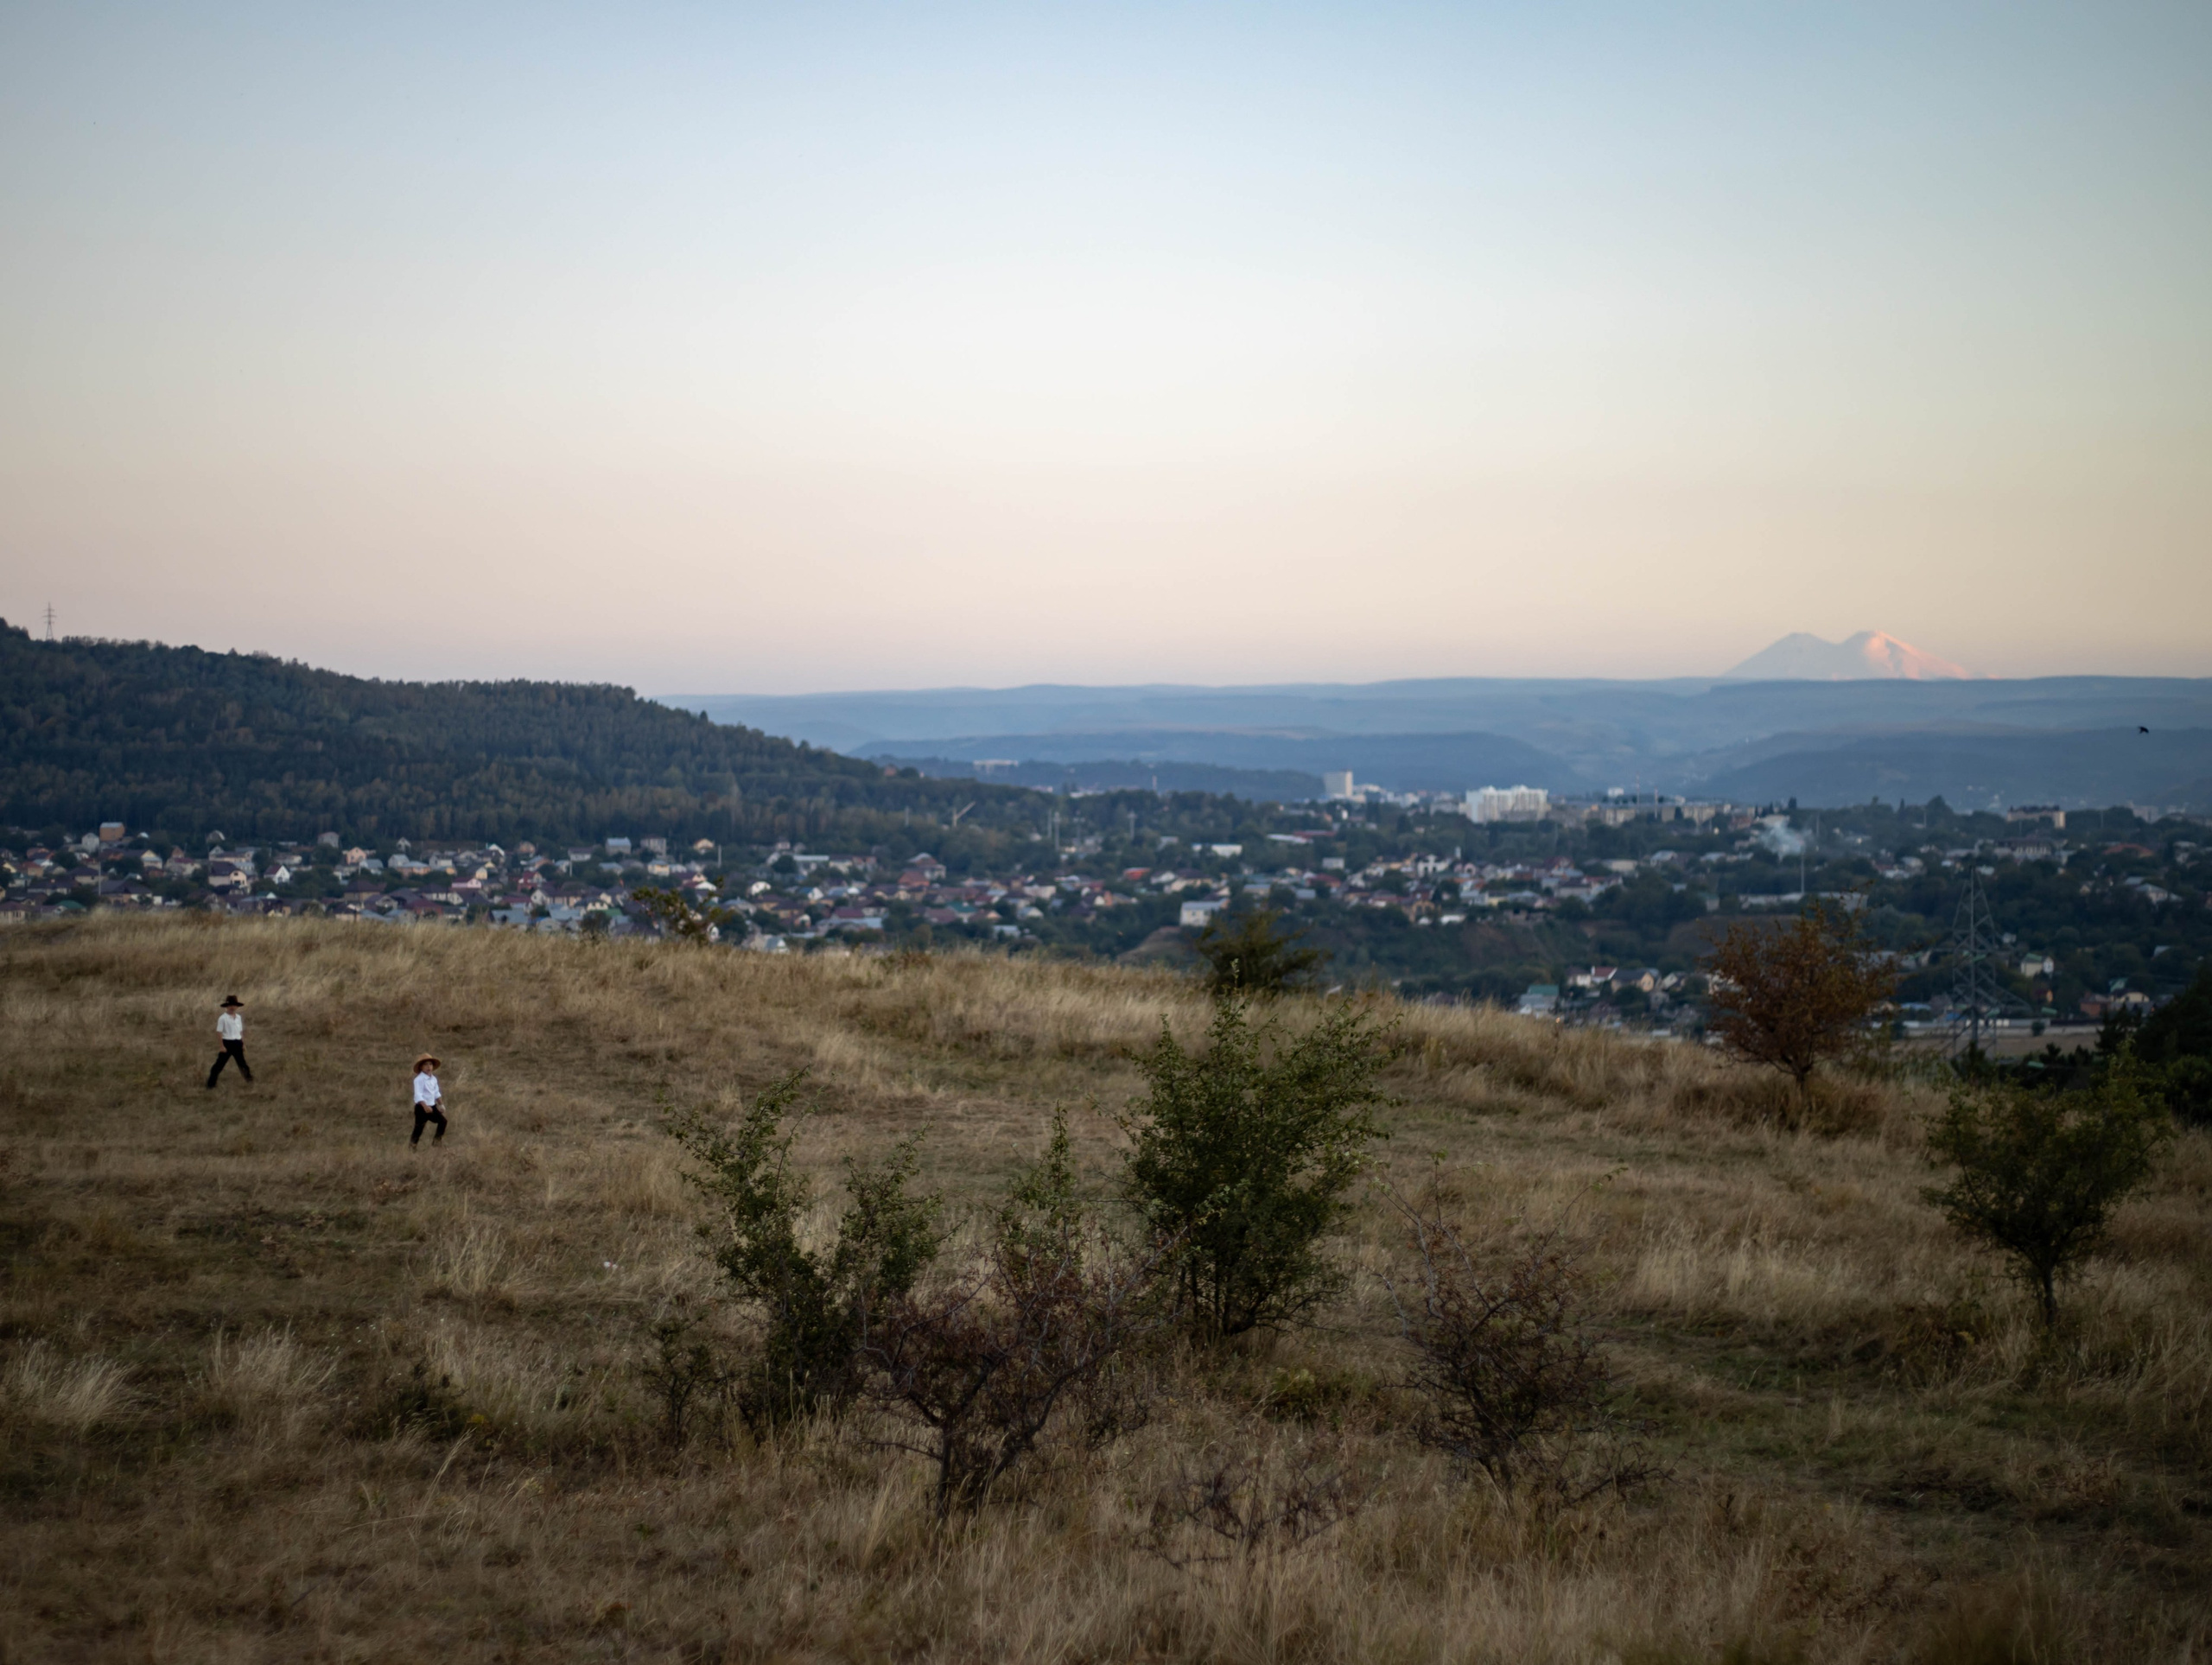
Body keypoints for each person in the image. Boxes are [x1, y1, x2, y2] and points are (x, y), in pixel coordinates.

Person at [205, 995, 253, 1088]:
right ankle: (210, 1084)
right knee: (219, 1065)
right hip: (227, 1043)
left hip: (237, 1043)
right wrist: (222, 1046)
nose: (232, 1007)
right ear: (227, 1006)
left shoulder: (238, 1017)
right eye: (230, 1005)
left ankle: (250, 1081)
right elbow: (219, 1032)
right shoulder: (223, 1018)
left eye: (234, 1005)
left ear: (237, 1007)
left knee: (242, 1063)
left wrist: (243, 1044)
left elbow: (240, 1031)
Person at [410, 1054, 448, 1147]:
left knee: (443, 1121)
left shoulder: (433, 1079)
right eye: (426, 1065)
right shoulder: (419, 1080)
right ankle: (412, 1146)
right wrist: (425, 1106)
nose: (428, 1067)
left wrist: (441, 1104)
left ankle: (436, 1142)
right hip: (421, 1108)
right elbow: (418, 1095)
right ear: (421, 1067)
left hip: (432, 1106)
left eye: (430, 1064)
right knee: (419, 1128)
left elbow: (436, 1093)